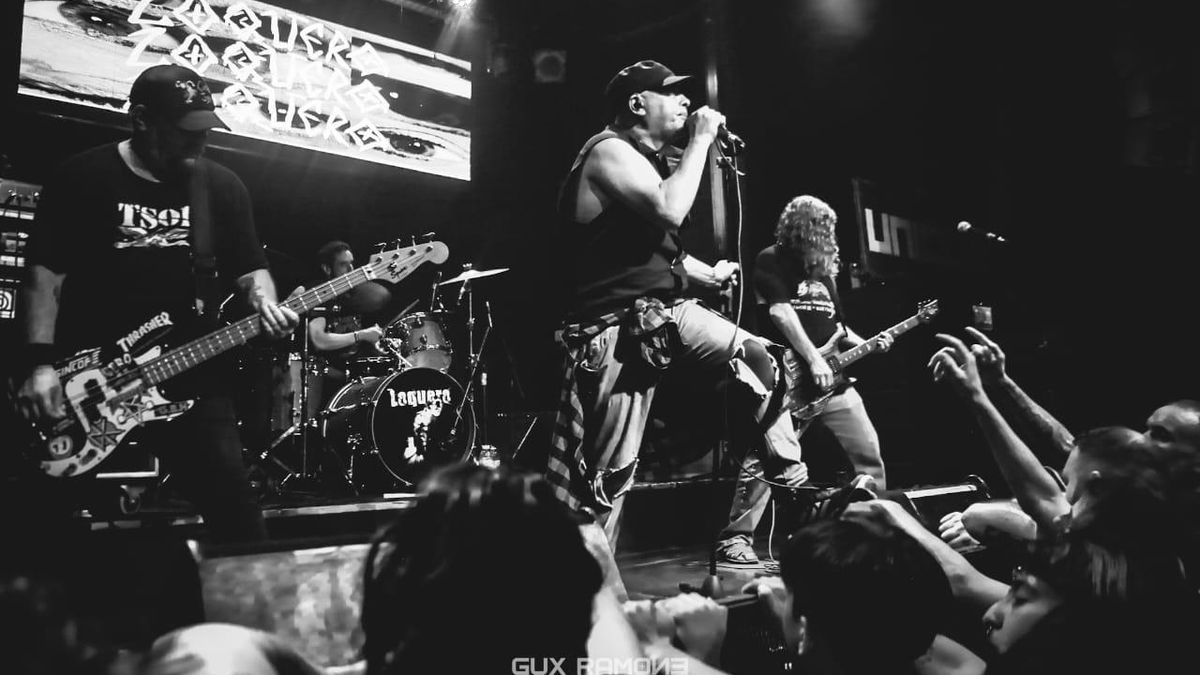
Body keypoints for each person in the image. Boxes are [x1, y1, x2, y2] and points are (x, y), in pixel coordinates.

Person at [11, 63, 298, 543]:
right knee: (37, 523)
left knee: (240, 524)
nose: (199, 142)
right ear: (142, 119)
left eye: (204, 129)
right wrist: (38, 364)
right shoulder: (82, 176)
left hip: (191, 372)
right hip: (89, 378)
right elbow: (44, 279)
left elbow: (251, 269)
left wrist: (264, 302)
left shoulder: (221, 187)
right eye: (186, 131)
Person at [545, 60, 808, 544]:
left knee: (760, 359)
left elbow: (661, 254)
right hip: (617, 329)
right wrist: (701, 140)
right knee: (610, 476)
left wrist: (710, 274)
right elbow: (669, 208)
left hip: (664, 315)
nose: (686, 101)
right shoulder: (607, 150)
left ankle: (791, 484)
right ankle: (588, 578)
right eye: (670, 93)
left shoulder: (646, 165)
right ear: (636, 103)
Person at [717, 195, 893, 565]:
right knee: (767, 458)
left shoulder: (823, 274)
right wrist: (813, 359)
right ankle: (735, 539)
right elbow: (780, 312)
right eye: (822, 231)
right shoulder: (772, 259)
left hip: (832, 381)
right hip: (789, 379)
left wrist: (869, 344)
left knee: (869, 451)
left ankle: (874, 530)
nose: (828, 238)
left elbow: (839, 328)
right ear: (804, 230)